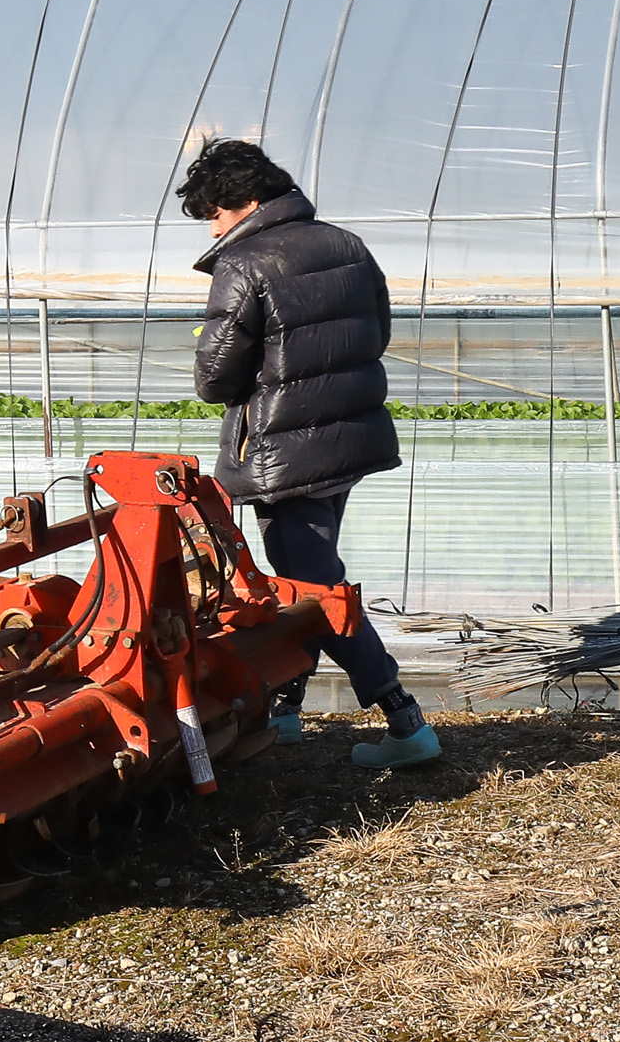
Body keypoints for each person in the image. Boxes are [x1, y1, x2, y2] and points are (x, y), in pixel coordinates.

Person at [178, 138, 438, 770]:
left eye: (214, 212)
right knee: (307, 574)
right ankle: (287, 712)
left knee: (312, 584)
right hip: (346, 439)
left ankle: (405, 721)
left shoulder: (244, 265)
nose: (213, 227)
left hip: (283, 451)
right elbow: (373, 333)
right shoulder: (348, 246)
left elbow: (215, 377)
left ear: (245, 202)